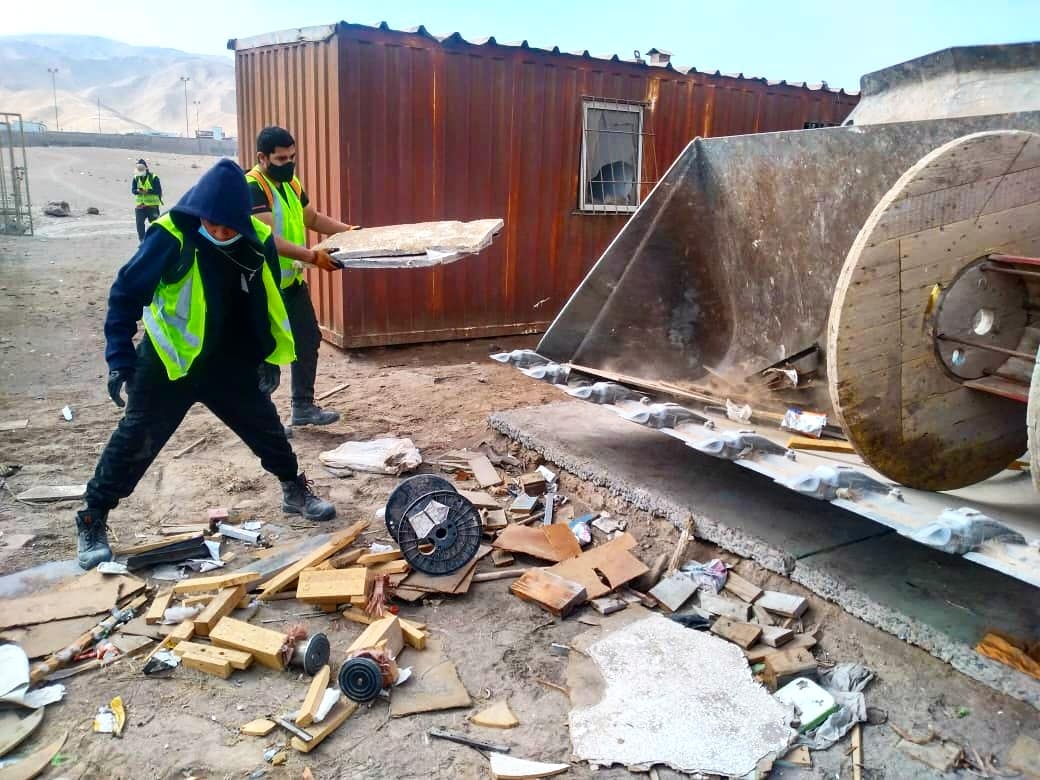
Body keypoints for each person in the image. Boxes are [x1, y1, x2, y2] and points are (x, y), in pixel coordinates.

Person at [75, 159, 336, 570]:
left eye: (229, 226)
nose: (220, 232)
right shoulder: (169, 236)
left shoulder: (256, 239)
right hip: (169, 361)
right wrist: (119, 359)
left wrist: (265, 355)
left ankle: (294, 489)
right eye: (213, 224)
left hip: (227, 363)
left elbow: (263, 298)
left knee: (266, 429)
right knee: (135, 440)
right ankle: (93, 516)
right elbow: (125, 295)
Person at [246, 126, 359, 427]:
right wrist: (313, 257)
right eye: (282, 159)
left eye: (292, 157)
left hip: (291, 282)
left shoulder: (290, 183)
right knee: (264, 355)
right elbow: (270, 240)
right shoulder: (254, 187)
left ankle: (302, 407)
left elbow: (312, 218)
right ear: (263, 157)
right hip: (264, 288)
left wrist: (349, 232)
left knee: (307, 338)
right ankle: (264, 422)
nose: (289, 163)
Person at [131, 159, 163, 241]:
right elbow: (133, 190)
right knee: (139, 224)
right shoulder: (136, 177)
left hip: (152, 206)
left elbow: (158, 190)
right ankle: (142, 241)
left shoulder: (154, 177)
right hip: (140, 206)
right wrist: (138, 191)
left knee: (156, 225)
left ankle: (156, 241)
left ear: (146, 168)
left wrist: (148, 191)